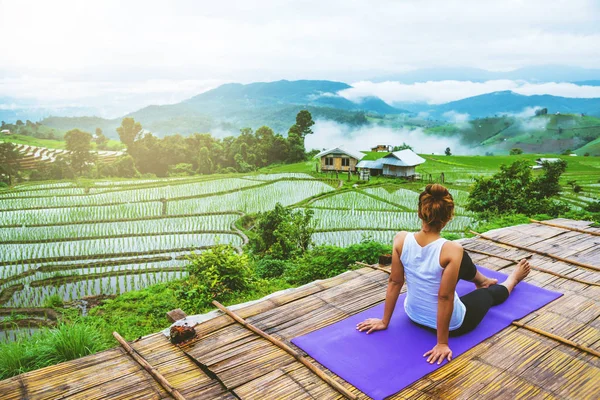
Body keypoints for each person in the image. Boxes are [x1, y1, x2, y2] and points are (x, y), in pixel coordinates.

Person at [356, 183, 531, 365]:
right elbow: (444, 297)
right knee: (487, 293)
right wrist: (442, 343)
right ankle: (512, 280)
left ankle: (481, 279)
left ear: (419, 212)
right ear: (448, 218)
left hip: (413, 314)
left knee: (455, 257)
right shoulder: (452, 249)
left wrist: (384, 321)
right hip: (454, 325)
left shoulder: (401, 239)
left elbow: (394, 282)